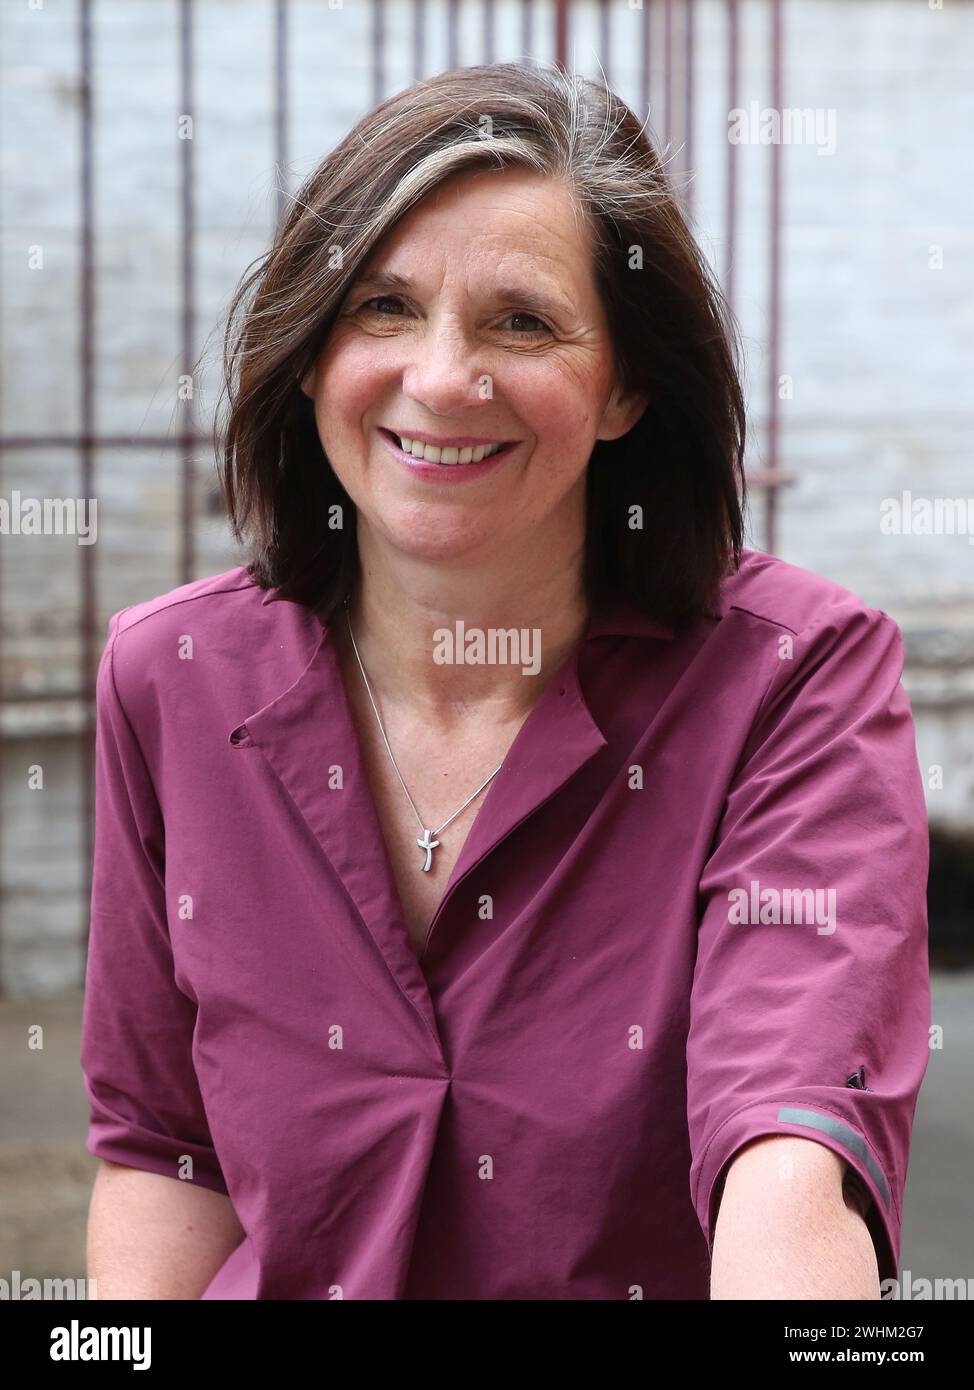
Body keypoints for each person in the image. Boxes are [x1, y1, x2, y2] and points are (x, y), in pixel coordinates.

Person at [81, 61, 930, 1300]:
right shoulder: (170, 675)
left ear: (627, 384)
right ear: (310, 352)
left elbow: (788, 1144)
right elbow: (165, 1152)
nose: (439, 378)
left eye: (521, 321)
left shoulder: (793, 679)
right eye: (379, 307)